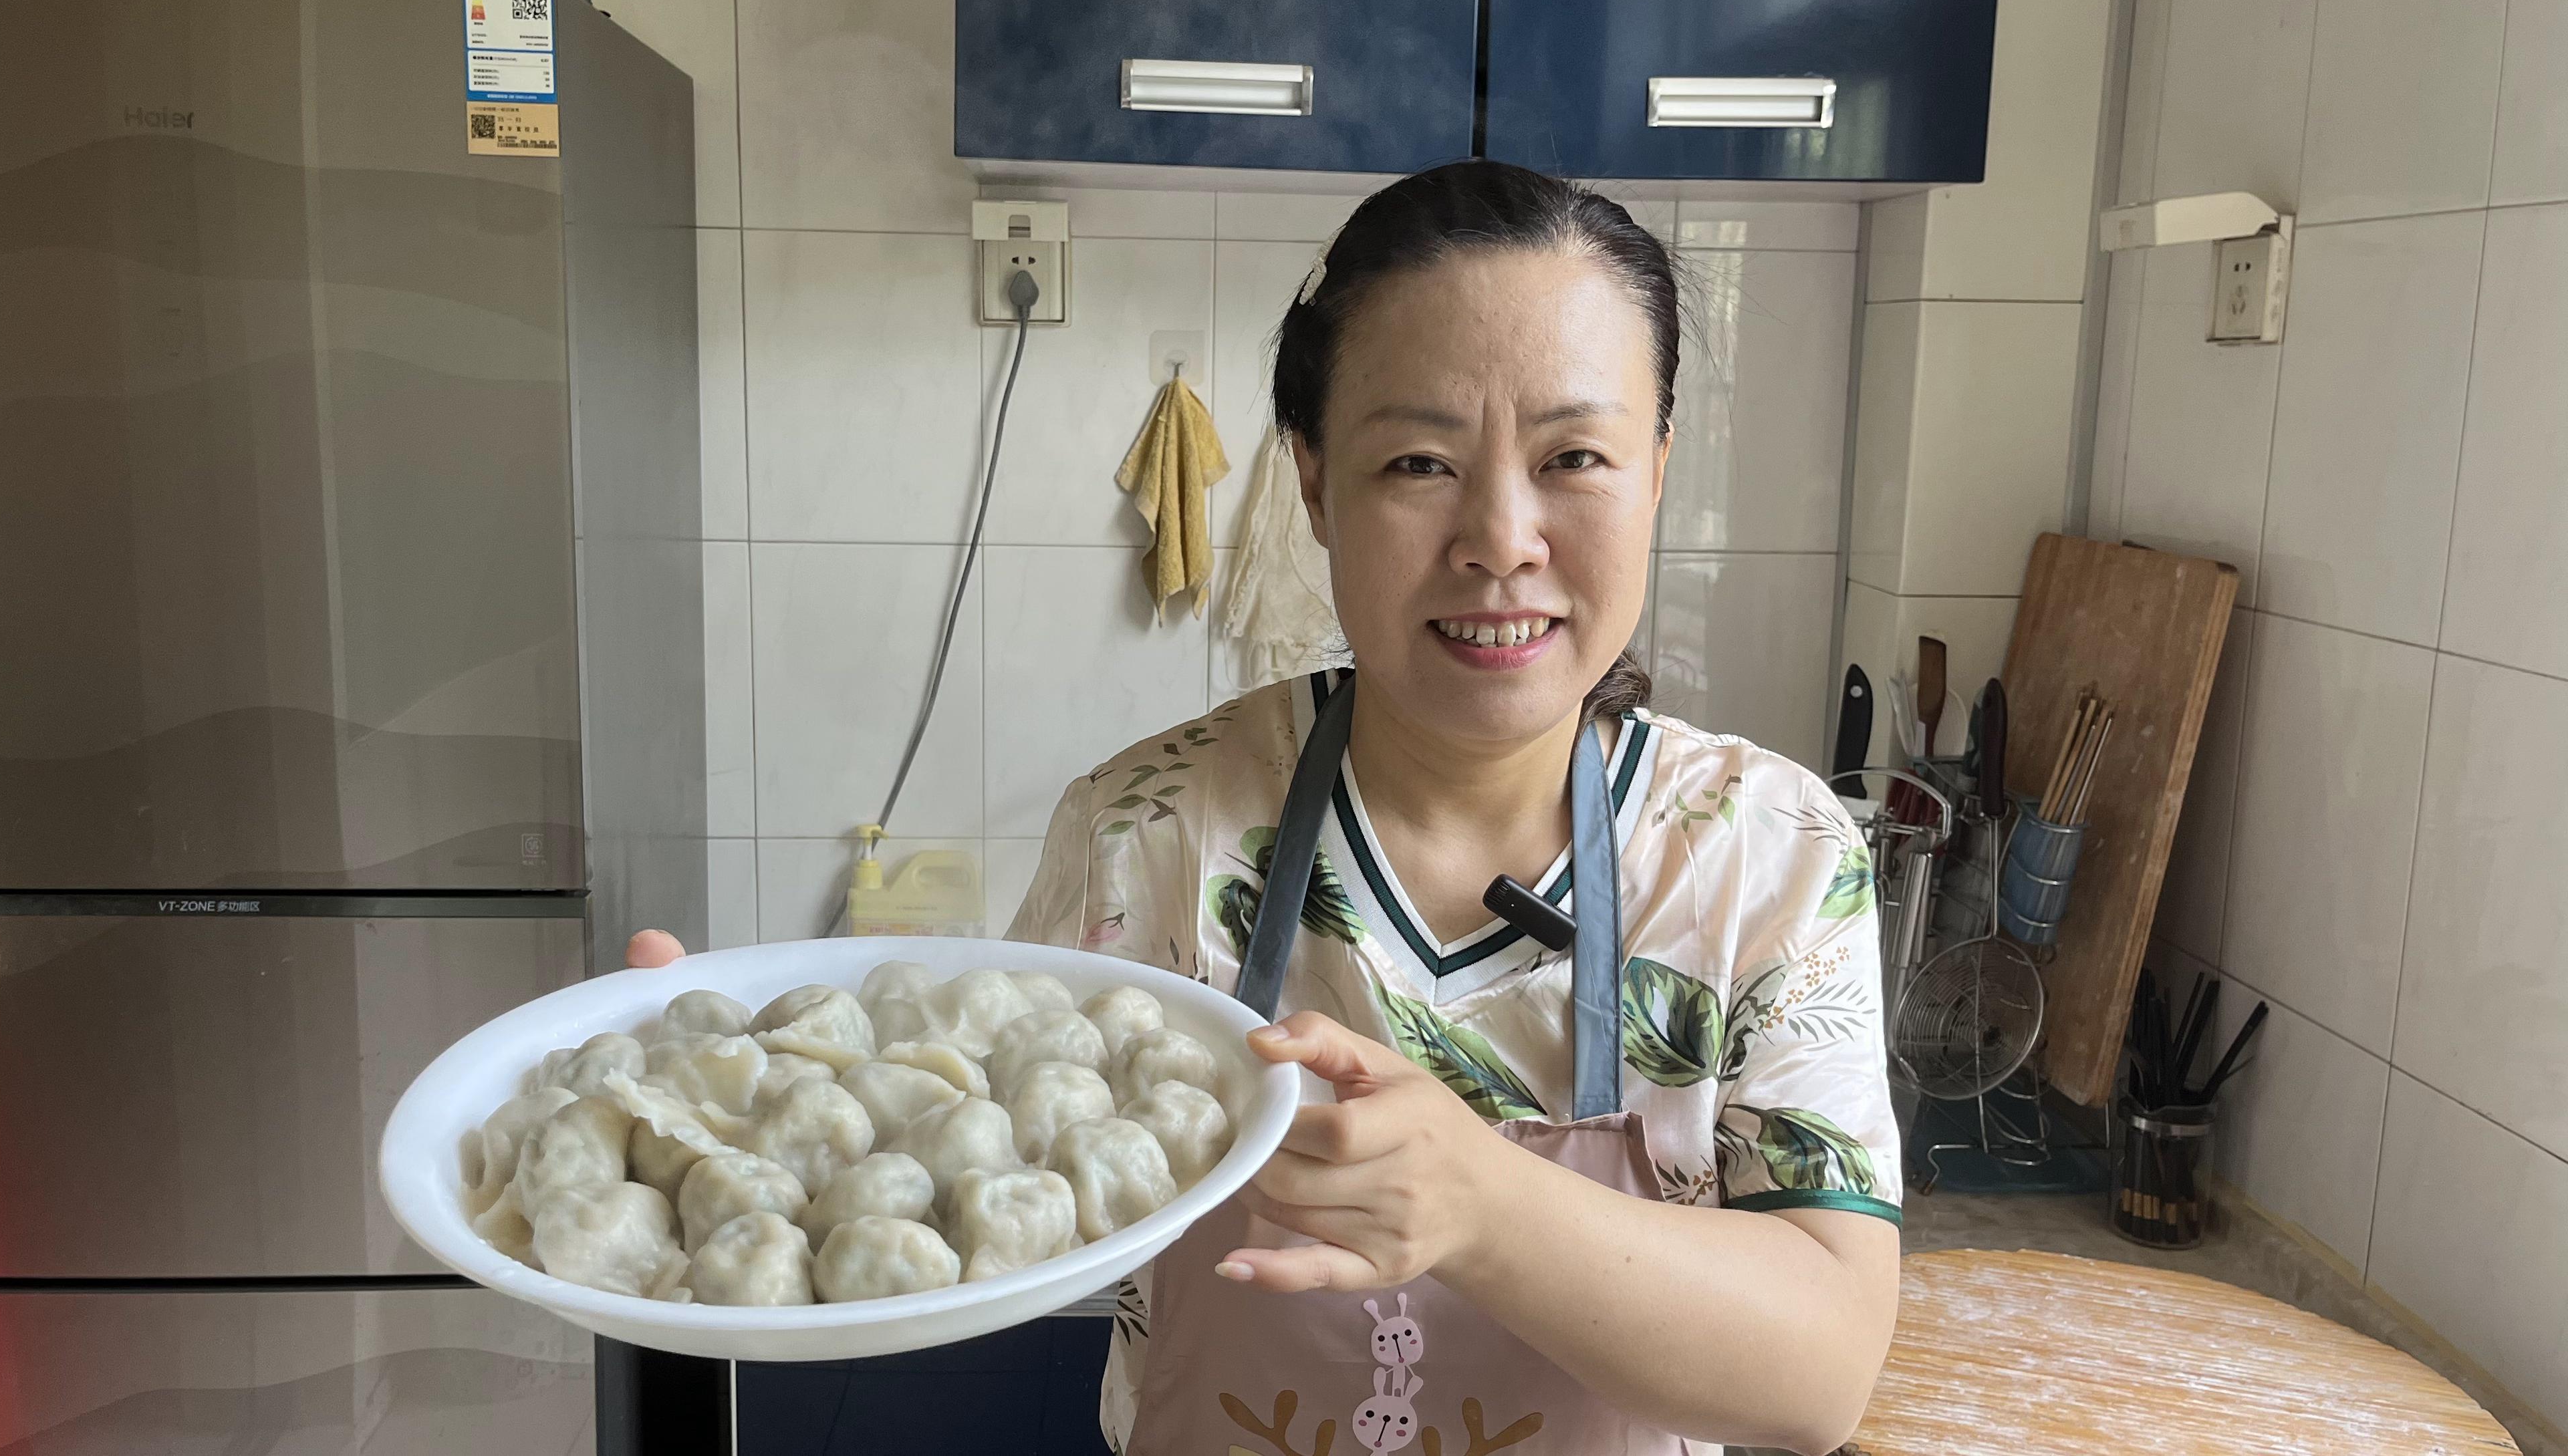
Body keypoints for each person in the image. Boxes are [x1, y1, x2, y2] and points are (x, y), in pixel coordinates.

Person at [629, 158, 1900, 1455]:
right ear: (1311, 482)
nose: (1501, 538)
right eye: (1419, 461)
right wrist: (712, 1116)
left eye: (1575, 455)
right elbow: (969, 1166)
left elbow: (1821, 1373)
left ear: (1658, 469)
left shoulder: (1767, 853)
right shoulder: (1150, 833)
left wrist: (1480, 1205)